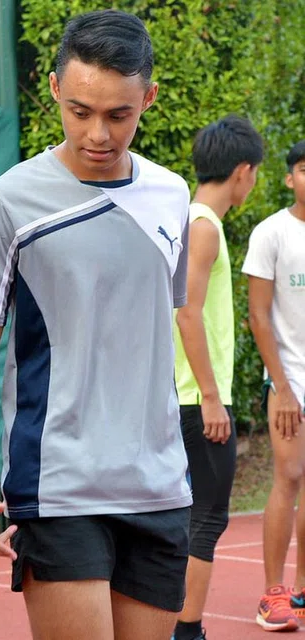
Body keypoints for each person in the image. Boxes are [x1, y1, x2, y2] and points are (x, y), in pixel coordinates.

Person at [0, 10, 193, 640]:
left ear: (148, 99)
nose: (98, 133)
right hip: (58, 486)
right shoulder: (5, 201)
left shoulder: (172, 196)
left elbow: (155, 326)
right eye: (80, 111)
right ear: (55, 88)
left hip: (160, 486)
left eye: (119, 114)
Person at [171, 115, 263, 640]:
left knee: (190, 517)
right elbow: (187, 312)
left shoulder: (190, 219)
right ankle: (187, 632)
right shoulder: (203, 226)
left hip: (185, 393)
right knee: (206, 518)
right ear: (243, 171)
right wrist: (210, 396)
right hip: (195, 397)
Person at [243, 140, 305, 631]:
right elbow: (259, 316)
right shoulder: (271, 233)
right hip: (291, 379)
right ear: (289, 178)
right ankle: (273, 594)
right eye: (304, 169)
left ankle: (302, 590)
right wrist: (281, 387)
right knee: (289, 475)